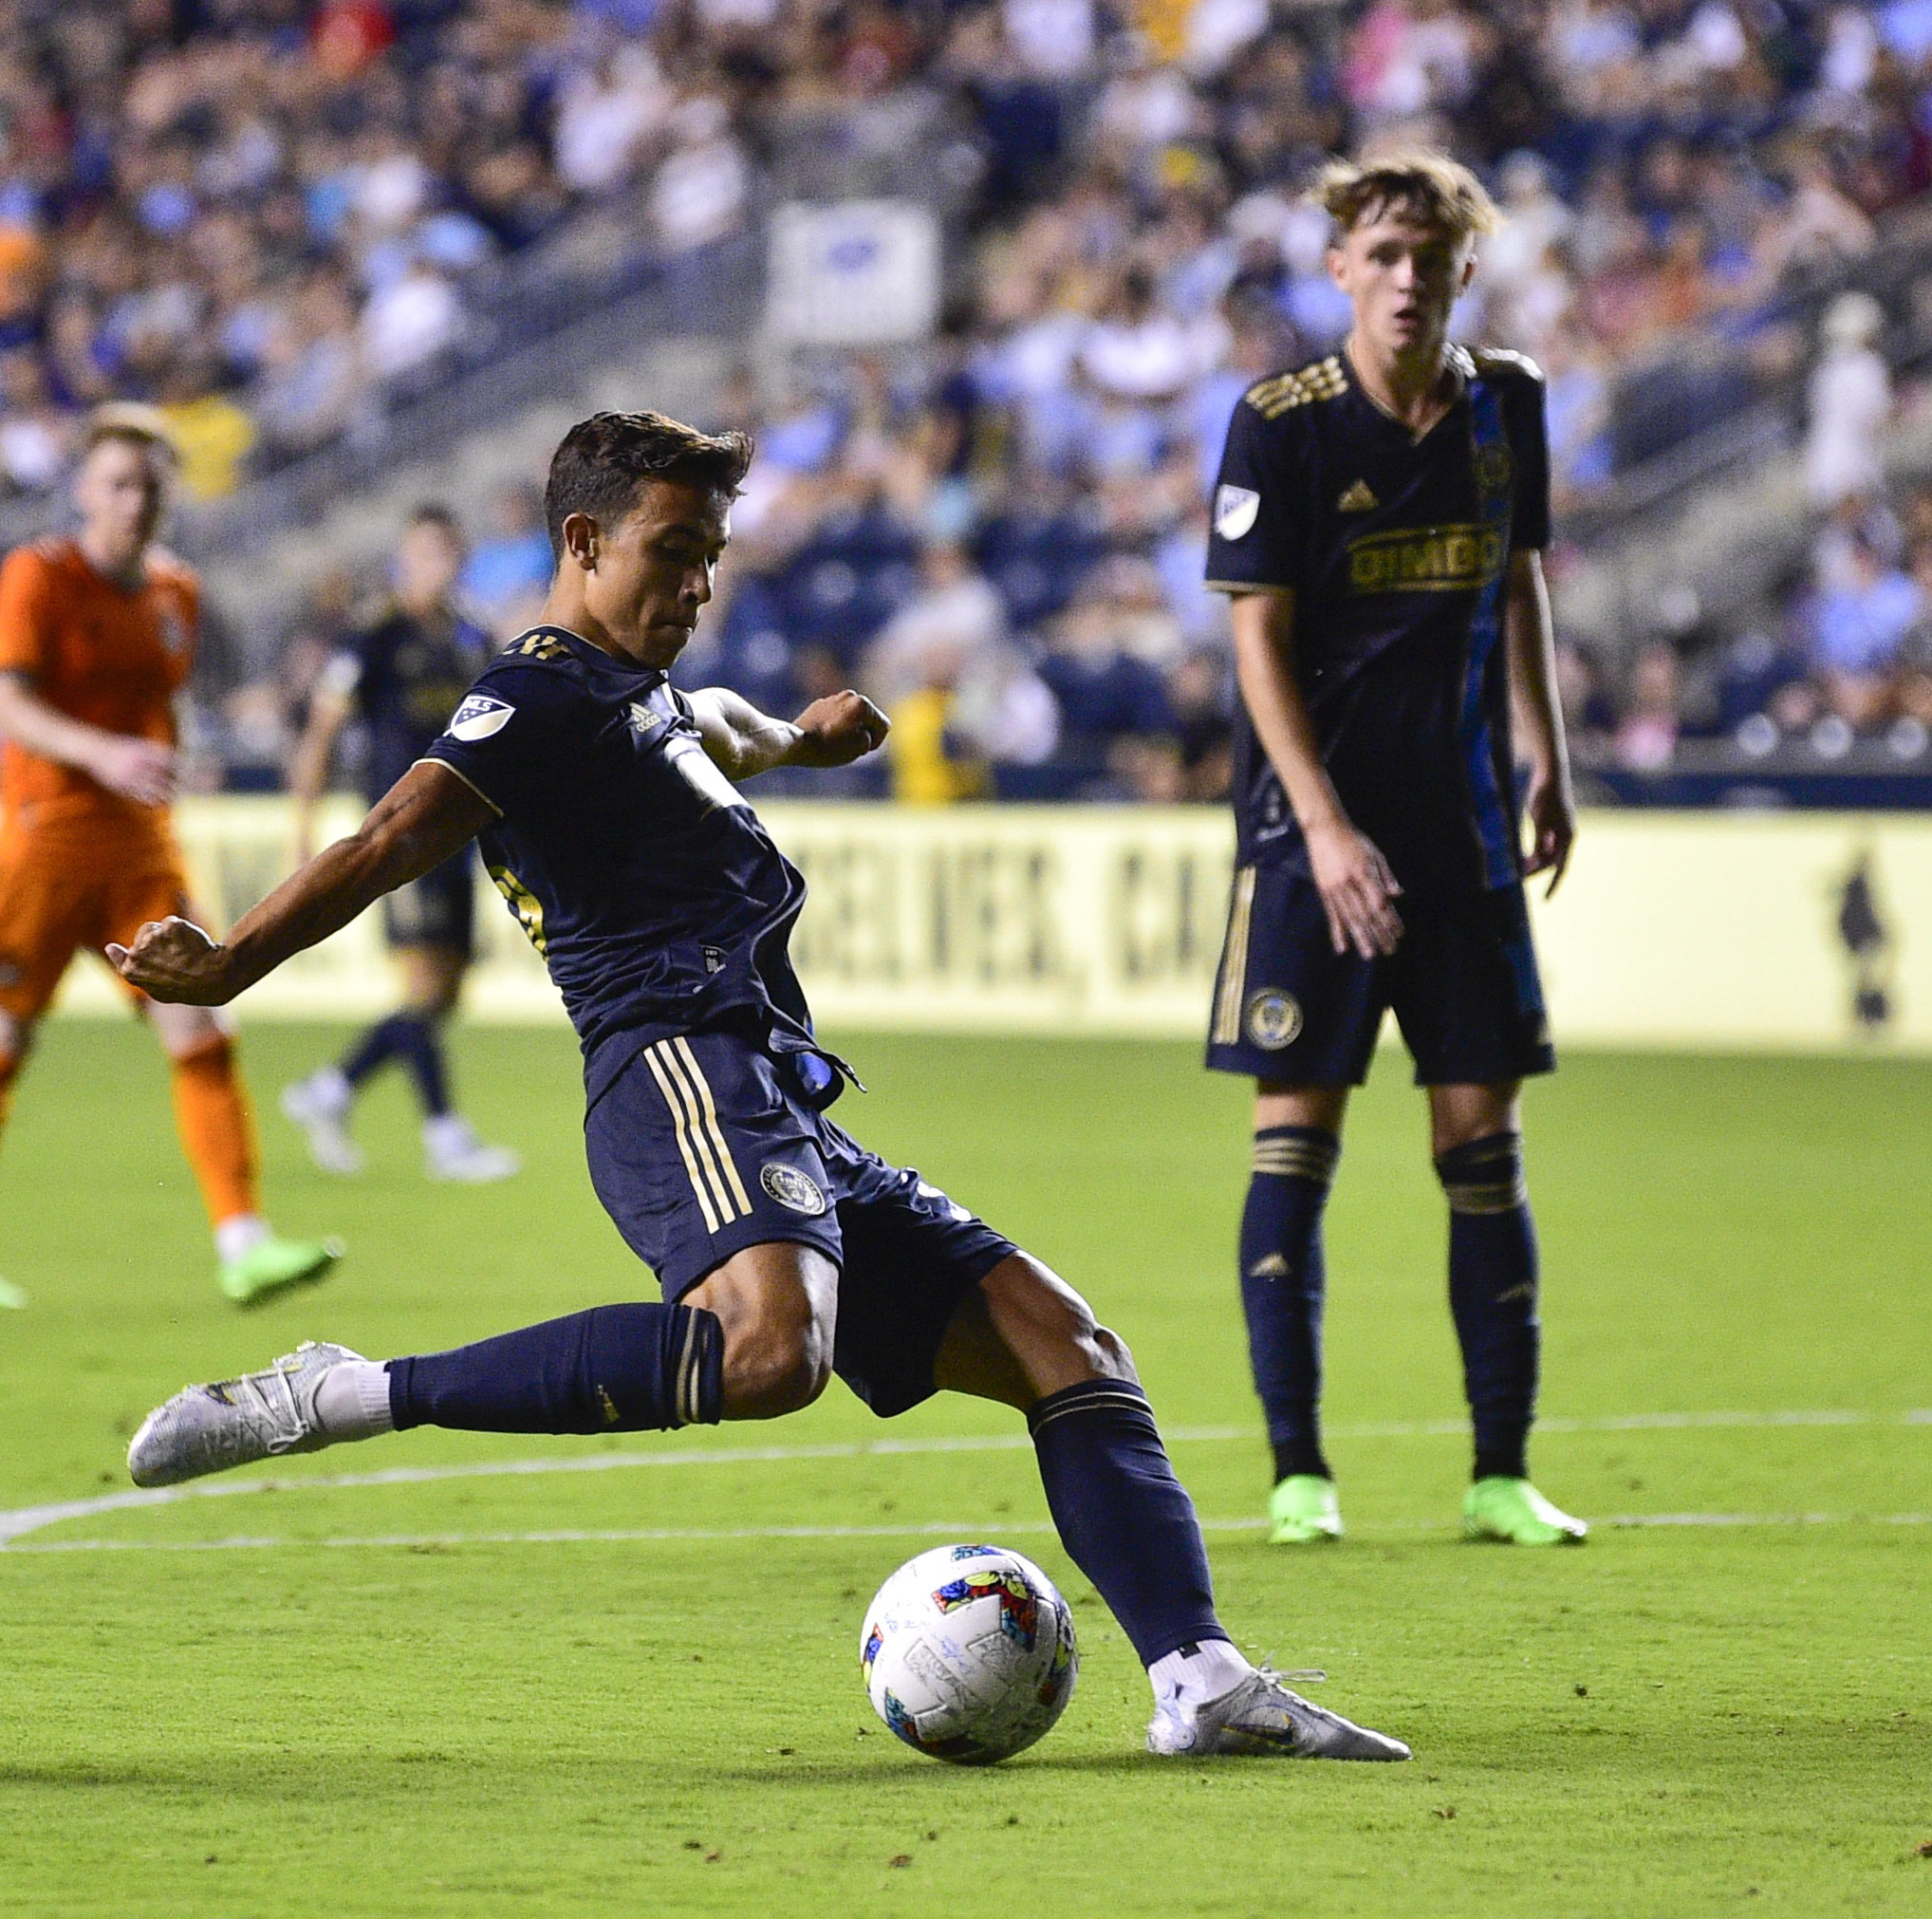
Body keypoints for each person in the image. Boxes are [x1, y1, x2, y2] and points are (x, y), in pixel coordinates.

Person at [111, 411, 1411, 1762]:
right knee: (768, 1353)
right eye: (673, 553)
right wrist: (233, 961)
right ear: (581, 541)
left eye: (713, 557)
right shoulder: (533, 693)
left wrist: (799, 738)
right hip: (669, 1062)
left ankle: (1199, 1678)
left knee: (1065, 1347)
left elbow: (707, 730)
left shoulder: (635, 693)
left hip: (769, 1089)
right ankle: (338, 1393)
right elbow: (393, 829)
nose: (699, 584)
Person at [1200, 152, 1587, 1551]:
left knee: (1479, 1139)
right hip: (1309, 842)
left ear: (1462, 270)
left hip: (1465, 828)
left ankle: (1499, 1473)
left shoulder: (1509, 405)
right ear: (1339, 270)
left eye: (1429, 254)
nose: (1406, 277)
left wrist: (1547, 751)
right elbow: (1253, 638)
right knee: (1294, 1140)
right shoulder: (1281, 423)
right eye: (1382, 253)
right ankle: (1298, 1472)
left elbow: (1521, 575)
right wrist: (1322, 827)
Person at [0, 407, 338, 1313]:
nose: (134, 502)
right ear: (83, 490)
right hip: (47, 844)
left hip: (142, 854)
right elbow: (5, 705)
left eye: (150, 485)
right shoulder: (37, 574)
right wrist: (103, 754)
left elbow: (153, 707)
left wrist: (174, 756)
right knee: (1, 1036)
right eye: (117, 483)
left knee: (202, 1027)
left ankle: (244, 1243)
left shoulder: (175, 592)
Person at [279, 509, 519, 1183]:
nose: (433, 566)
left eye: (445, 552)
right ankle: (446, 1136)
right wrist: (304, 823)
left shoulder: (472, 633)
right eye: (421, 553)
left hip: (461, 828)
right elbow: (324, 729)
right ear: (404, 558)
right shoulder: (374, 633)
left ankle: (330, 1089)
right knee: (420, 982)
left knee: (445, 992)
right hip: (399, 829)